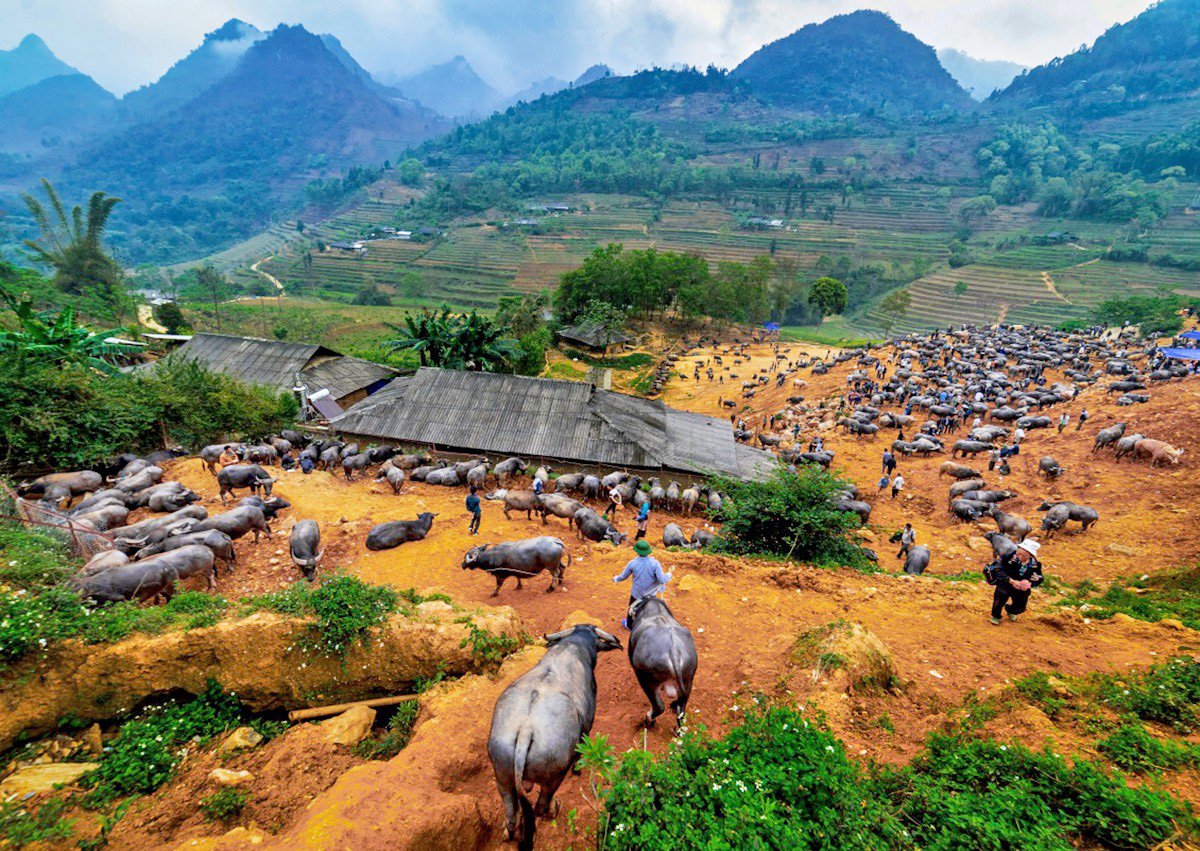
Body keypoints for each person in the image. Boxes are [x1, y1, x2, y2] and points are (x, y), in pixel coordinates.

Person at [612, 540, 672, 628]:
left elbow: (623, 577)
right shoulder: (655, 564)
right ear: (648, 551)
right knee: (649, 611)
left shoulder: (632, 563)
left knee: (632, 609)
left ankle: (629, 625)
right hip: (650, 595)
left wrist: (615, 579)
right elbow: (662, 580)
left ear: (637, 551)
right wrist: (669, 575)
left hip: (636, 594)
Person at [986, 539, 1044, 625]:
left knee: (1020, 606)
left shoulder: (1035, 564)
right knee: (998, 602)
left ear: (1030, 555)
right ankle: (996, 616)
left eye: (1022, 555)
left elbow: (1039, 578)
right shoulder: (1008, 557)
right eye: (1018, 553)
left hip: (1021, 589)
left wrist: (1029, 583)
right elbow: (998, 570)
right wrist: (1011, 581)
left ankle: (1011, 611)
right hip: (1005, 584)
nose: (1018, 556)